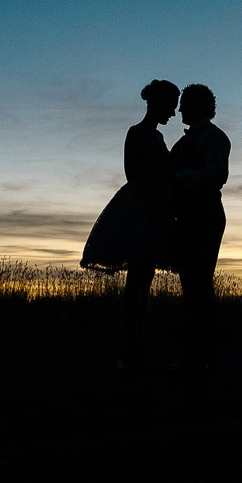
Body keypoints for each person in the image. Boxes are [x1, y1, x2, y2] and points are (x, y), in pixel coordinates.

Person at [80, 79, 179, 370]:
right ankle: (129, 344)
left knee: (144, 279)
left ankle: (137, 344)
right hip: (139, 209)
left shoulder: (160, 138)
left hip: (156, 208)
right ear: (157, 104)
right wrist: (164, 174)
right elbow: (132, 172)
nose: (172, 114)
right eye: (170, 107)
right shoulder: (135, 133)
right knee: (136, 280)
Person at [169, 82, 229, 371]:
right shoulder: (186, 141)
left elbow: (217, 175)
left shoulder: (214, 138)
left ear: (197, 106)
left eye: (184, 103)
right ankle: (198, 353)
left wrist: (180, 177)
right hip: (188, 217)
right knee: (191, 286)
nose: (179, 109)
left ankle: (203, 355)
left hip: (204, 216)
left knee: (199, 285)